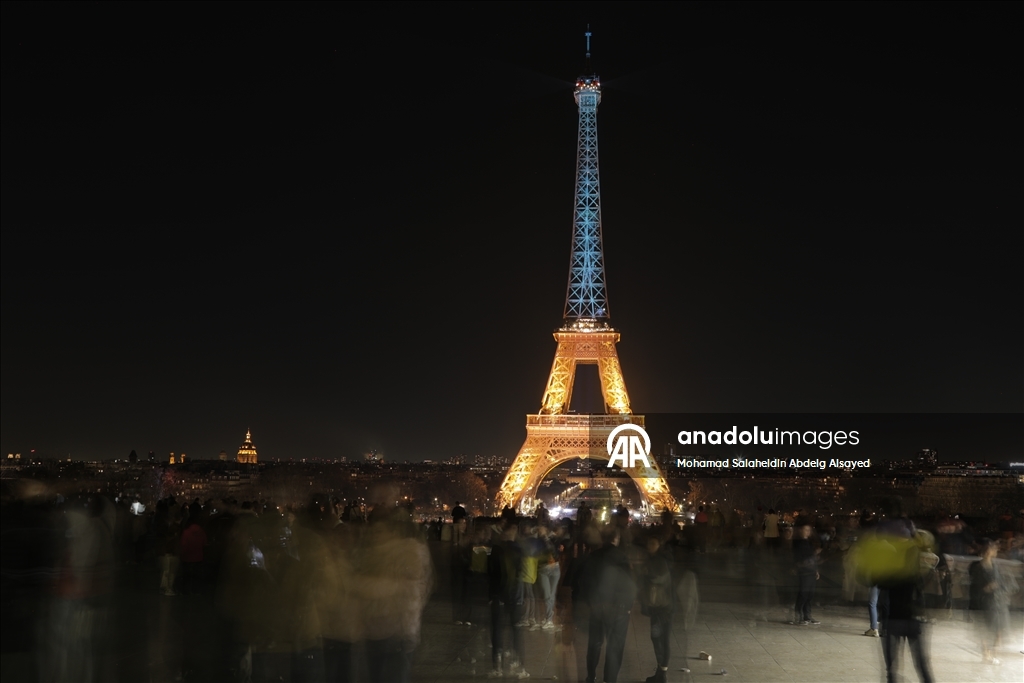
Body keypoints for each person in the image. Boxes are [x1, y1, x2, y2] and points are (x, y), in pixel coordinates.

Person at [581, 527, 636, 683]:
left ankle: (591, 676)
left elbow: (585, 583)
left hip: (598, 607)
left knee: (594, 644)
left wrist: (591, 602)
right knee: (615, 646)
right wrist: (627, 605)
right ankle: (609, 679)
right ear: (616, 539)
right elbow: (629, 584)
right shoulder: (622, 557)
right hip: (618, 609)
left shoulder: (593, 556)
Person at [969, 539, 1016, 664]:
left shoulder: (996, 566)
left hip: (998, 601)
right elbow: (974, 585)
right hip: (984, 601)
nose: (995, 551)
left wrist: (1003, 588)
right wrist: (986, 588)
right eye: (992, 548)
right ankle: (986, 653)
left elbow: (1000, 581)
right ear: (985, 551)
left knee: (999, 628)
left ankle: (993, 653)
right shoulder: (976, 566)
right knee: (985, 628)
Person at [640, 533, 674, 683]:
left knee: (661, 638)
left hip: (663, 606)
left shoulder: (661, 560)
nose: (650, 546)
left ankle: (663, 674)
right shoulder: (654, 559)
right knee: (657, 638)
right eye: (649, 543)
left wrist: (646, 575)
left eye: (653, 543)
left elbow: (661, 578)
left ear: (659, 545)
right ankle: (661, 672)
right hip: (659, 605)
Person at [790, 523, 820, 625]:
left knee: (809, 594)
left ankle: (807, 615)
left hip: (810, 570)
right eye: (805, 530)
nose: (807, 532)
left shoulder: (809, 542)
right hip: (804, 571)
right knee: (803, 593)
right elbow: (801, 557)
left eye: (809, 530)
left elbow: (812, 557)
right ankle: (799, 615)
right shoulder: (798, 542)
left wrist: (816, 570)